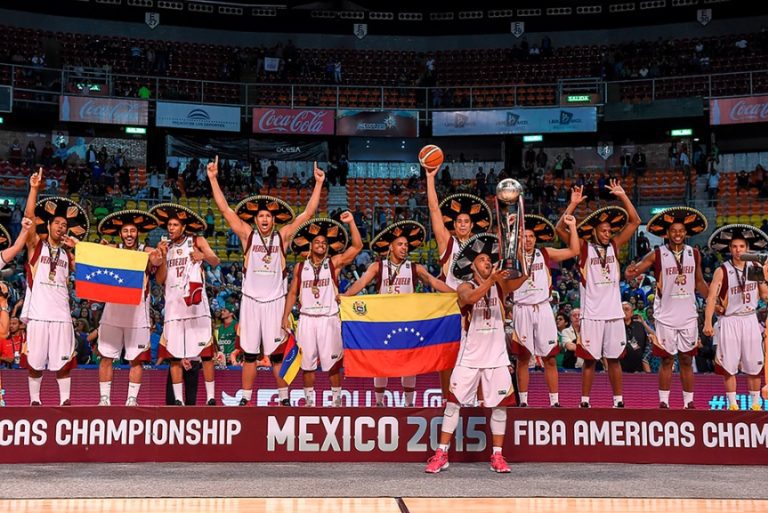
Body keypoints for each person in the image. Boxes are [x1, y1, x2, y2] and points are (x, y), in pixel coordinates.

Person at [207, 156, 326, 407]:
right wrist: (213, 179)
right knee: (249, 355)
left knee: (277, 356)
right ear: (255, 219)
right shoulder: (246, 235)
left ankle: (284, 399)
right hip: (251, 303)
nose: (264, 219)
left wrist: (318, 184)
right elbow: (225, 210)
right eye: (260, 216)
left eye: (268, 217)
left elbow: (307, 213)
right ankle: (245, 398)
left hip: (275, 304)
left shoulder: (282, 237)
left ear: (274, 220)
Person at [425, 233, 522, 474]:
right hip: (469, 357)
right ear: (472, 265)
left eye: (489, 259)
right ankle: (441, 453)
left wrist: (520, 254)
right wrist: (491, 282)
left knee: (500, 406)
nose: (488, 262)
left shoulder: (500, 285)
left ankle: (497, 456)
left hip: (496, 357)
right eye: (481, 259)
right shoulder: (465, 286)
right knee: (453, 404)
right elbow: (469, 298)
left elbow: (520, 280)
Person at [343, 220, 453, 407]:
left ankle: (409, 404)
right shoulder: (377, 266)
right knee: (381, 362)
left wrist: (454, 293)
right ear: (391, 247)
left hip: (407, 321)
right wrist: (345, 296)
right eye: (400, 244)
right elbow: (361, 283)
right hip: (383, 321)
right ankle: (379, 403)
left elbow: (434, 282)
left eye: (406, 245)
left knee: (409, 363)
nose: (404, 248)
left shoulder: (414, 267)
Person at [555, 181, 641, 408]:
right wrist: (572, 205)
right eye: (603, 231)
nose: (607, 233)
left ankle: (618, 401)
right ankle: (584, 401)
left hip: (613, 313)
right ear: (593, 230)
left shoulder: (614, 245)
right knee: (590, 361)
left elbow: (635, 222)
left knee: (614, 360)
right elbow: (559, 230)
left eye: (609, 231)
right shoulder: (583, 248)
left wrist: (623, 196)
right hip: (592, 314)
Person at [625, 207, 709, 409]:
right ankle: (664, 401)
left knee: (687, 359)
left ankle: (689, 403)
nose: (678, 234)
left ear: (686, 233)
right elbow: (634, 271)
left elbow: (699, 282)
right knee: (667, 360)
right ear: (667, 234)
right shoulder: (658, 254)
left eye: (681, 231)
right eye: (674, 231)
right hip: (665, 316)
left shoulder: (694, 253)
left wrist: (714, 301)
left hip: (688, 314)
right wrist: (630, 272)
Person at [21, 168, 90, 405]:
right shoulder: (35, 246)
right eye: (57, 223)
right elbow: (29, 217)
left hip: (61, 315)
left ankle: (65, 401)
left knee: (63, 362)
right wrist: (33, 189)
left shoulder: (68, 253)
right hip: (39, 315)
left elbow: (85, 275)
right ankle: (35, 401)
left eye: (65, 225)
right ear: (49, 225)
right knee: (35, 361)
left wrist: (76, 249)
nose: (61, 227)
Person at [426, 165, 493, 401]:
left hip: (475, 304)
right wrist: (430, 178)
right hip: (451, 305)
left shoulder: (481, 248)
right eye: (458, 221)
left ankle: (478, 401)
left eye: (466, 221)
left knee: (478, 356)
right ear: (453, 225)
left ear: (472, 225)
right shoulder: (448, 244)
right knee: (448, 357)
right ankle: (447, 399)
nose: (462, 224)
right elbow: (434, 210)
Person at [283, 213, 363, 407]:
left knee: (334, 364)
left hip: (329, 318)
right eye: (317, 242)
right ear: (310, 246)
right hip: (307, 318)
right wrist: (285, 316)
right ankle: (309, 402)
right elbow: (293, 293)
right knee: (307, 364)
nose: (321, 244)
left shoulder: (333, 263)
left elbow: (357, 247)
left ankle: (336, 401)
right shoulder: (300, 268)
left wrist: (351, 222)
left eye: (324, 242)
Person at [150, 203, 220, 406]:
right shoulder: (165, 247)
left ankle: (211, 398)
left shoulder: (196, 240)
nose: (170, 228)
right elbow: (161, 280)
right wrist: (161, 258)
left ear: (183, 227)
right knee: (174, 356)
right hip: (173, 306)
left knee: (205, 354)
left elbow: (215, 261)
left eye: (174, 225)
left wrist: (203, 256)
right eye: (169, 225)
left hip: (197, 305)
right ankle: (178, 400)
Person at [95, 210, 164, 406]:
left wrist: (160, 253)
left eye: (132, 230)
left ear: (138, 233)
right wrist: (101, 251)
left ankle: (132, 400)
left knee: (137, 360)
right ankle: (104, 399)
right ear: (120, 234)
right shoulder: (113, 250)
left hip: (137, 315)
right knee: (106, 357)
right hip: (112, 313)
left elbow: (157, 261)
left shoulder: (146, 251)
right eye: (125, 231)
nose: (129, 234)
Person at [511, 214, 579, 407]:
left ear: (536, 238)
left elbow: (574, 250)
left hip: (543, 308)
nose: (528, 239)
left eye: (531, 236)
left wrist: (572, 227)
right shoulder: (513, 255)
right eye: (524, 236)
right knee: (523, 358)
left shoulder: (545, 253)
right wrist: (509, 227)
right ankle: (523, 402)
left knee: (549, 357)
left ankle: (554, 402)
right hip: (522, 308)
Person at [704, 224, 768, 411]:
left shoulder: (754, 266)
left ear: (747, 248)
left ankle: (756, 404)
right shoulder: (722, 270)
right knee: (729, 366)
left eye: (741, 246)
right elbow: (711, 299)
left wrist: (766, 277)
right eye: (734, 247)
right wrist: (708, 322)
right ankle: (733, 405)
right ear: (729, 249)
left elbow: (764, 294)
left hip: (749, 318)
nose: (738, 250)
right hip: (730, 320)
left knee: (754, 364)